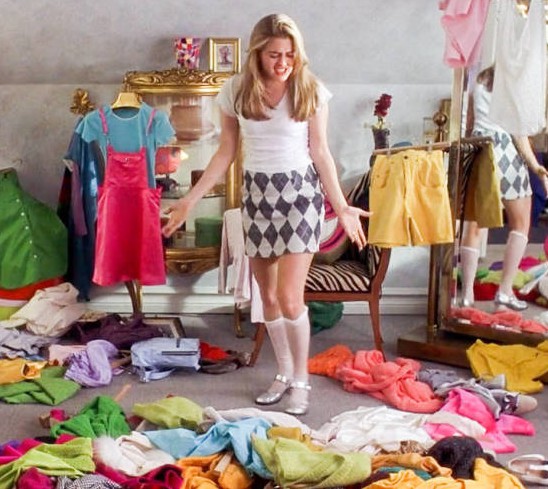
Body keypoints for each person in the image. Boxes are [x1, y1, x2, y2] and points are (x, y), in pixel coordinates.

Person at [162, 13, 369, 415]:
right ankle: (285, 373)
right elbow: (225, 152)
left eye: (290, 54)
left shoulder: (310, 89)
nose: (283, 63)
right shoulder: (236, 91)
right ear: (257, 53)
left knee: (290, 297)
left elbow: (321, 152)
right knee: (268, 297)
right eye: (274, 55)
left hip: (300, 197)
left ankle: (302, 381)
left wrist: (342, 206)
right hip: (257, 197)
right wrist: (189, 200)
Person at [460, 65, 548, 311]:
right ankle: (505, 292)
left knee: (474, 225)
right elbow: (518, 133)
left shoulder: (480, 78)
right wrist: (536, 167)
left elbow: (469, 122)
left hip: (479, 150)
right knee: (520, 222)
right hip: (504, 152)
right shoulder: (513, 84)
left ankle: (466, 296)